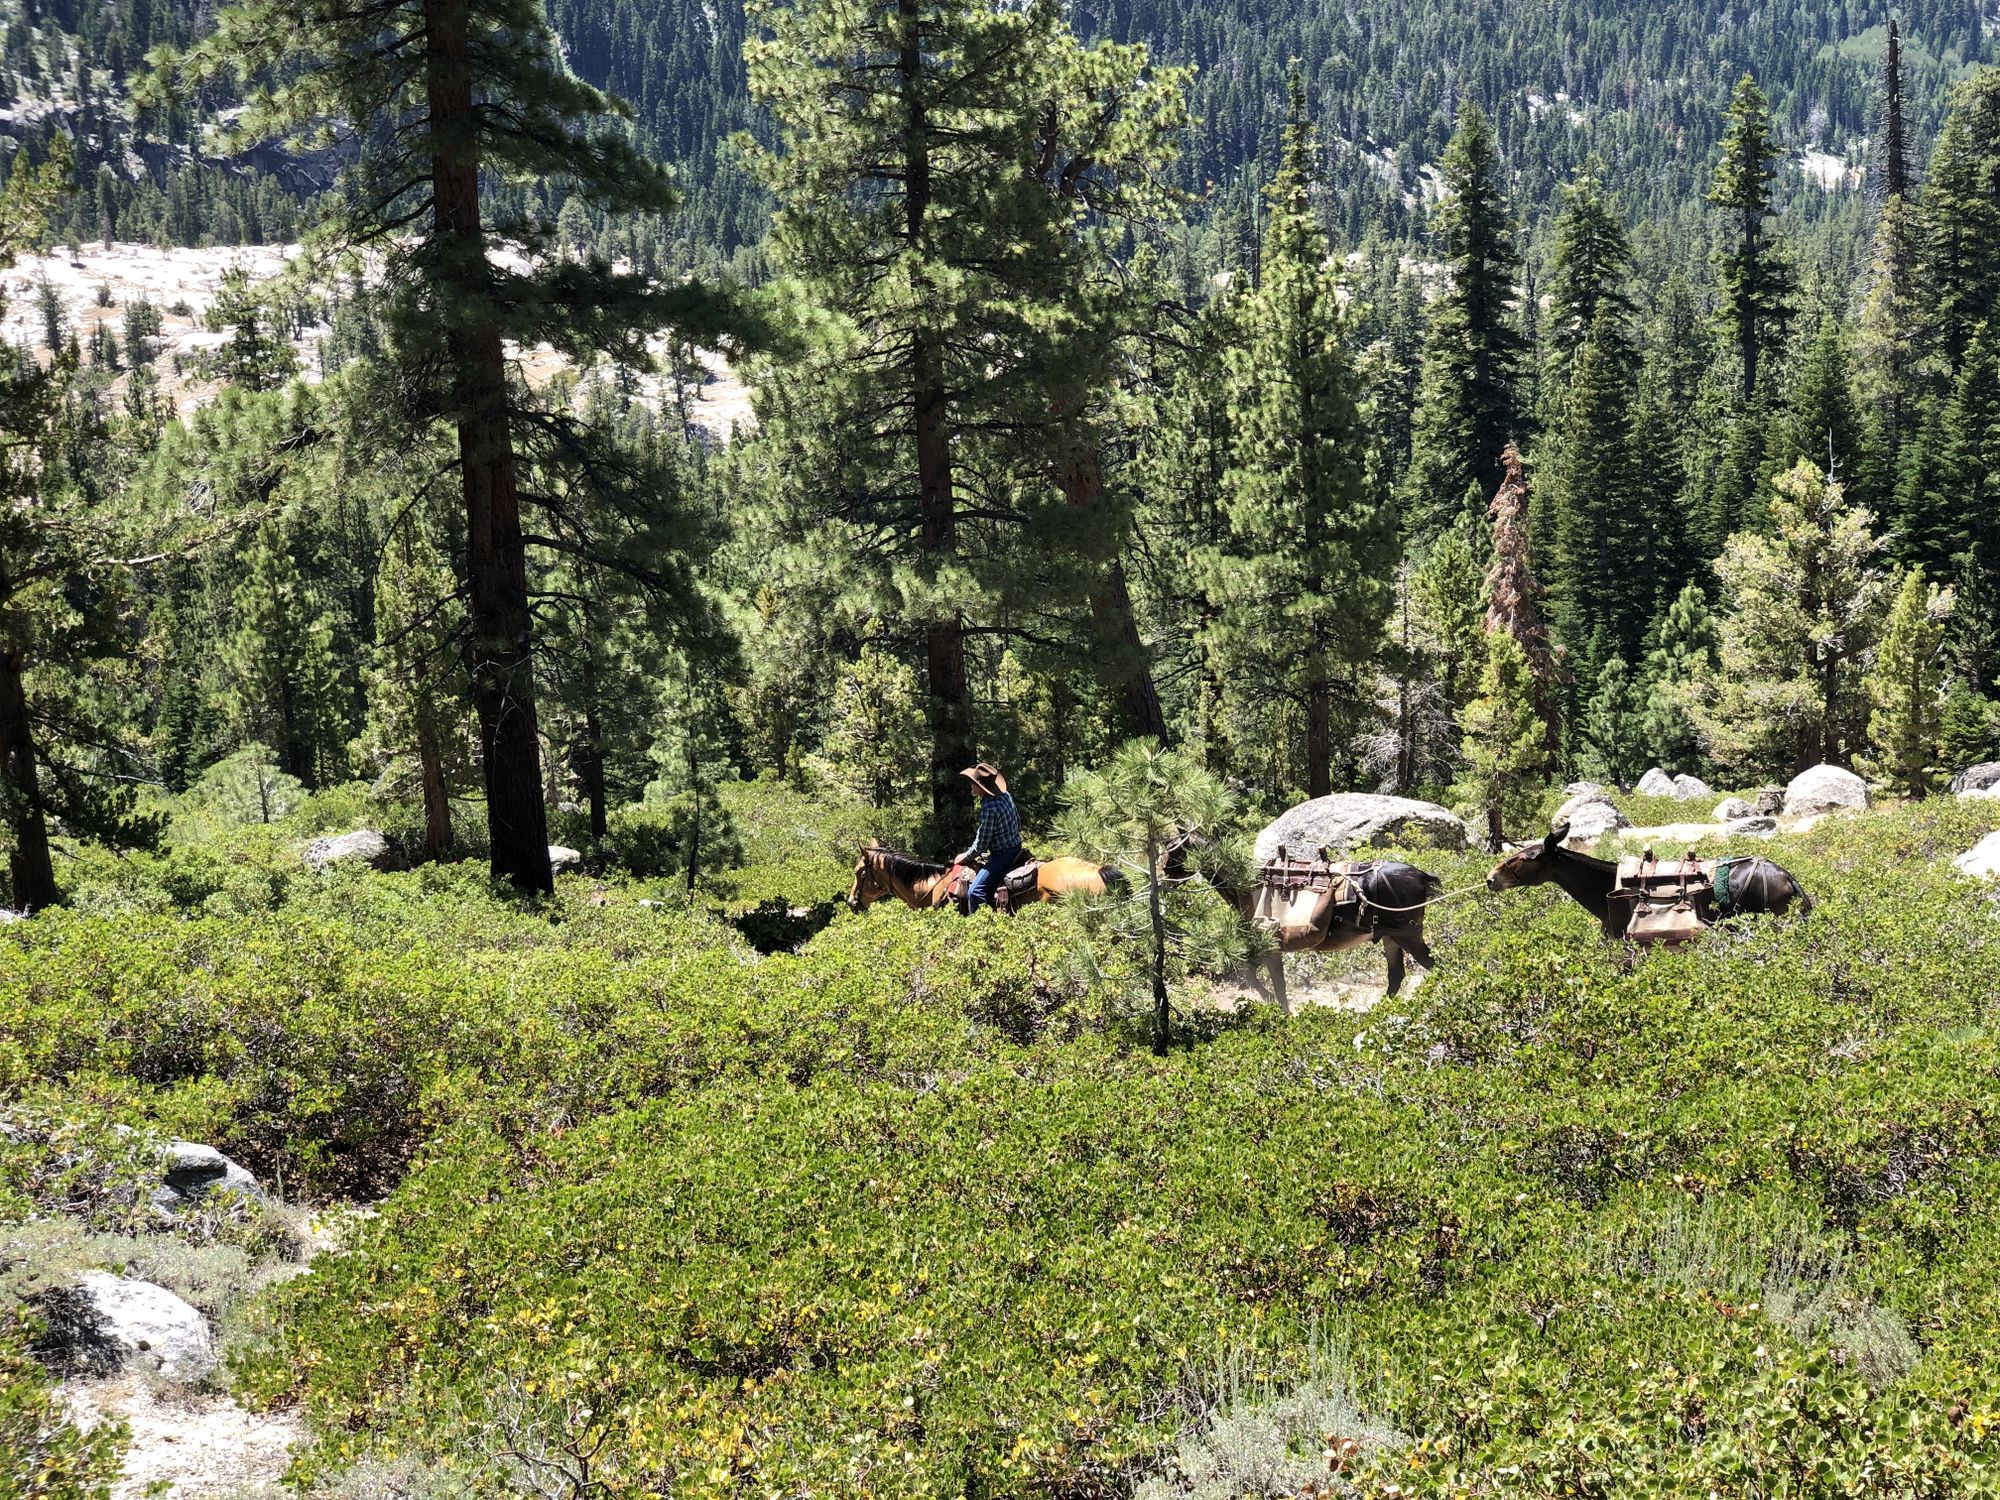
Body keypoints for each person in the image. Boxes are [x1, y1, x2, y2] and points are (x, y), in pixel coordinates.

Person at [956, 762, 1021, 913]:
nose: (970, 785)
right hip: (1016, 847)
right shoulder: (1005, 795)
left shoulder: (989, 808)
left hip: (1002, 856)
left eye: (972, 782)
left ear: (979, 786)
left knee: (974, 893)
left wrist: (965, 856)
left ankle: (981, 926)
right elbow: (1018, 821)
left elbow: (981, 844)